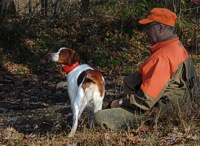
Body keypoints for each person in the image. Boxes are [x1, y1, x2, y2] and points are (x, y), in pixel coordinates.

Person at [94, 8, 197, 132]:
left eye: (149, 26)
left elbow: (144, 101)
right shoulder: (178, 47)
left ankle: (147, 127)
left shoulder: (162, 57)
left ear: (160, 28)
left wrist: (119, 102)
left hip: (161, 112)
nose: (147, 31)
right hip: (180, 104)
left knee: (100, 117)